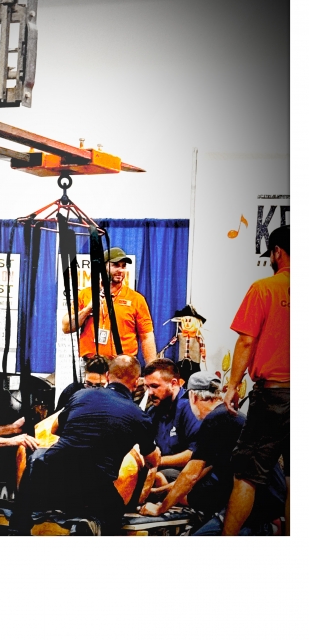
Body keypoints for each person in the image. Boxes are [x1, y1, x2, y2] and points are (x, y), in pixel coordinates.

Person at [9, 355, 160, 535]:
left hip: (50, 482)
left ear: (107, 376)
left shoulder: (80, 395)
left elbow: (55, 429)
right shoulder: (139, 416)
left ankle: (18, 527)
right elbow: (152, 461)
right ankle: (92, 524)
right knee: (115, 509)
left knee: (38, 459)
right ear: (136, 383)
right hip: (93, 487)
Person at [140, 372, 286, 535]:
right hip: (270, 502)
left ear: (193, 396)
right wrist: (160, 491)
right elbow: (202, 472)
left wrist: (160, 508)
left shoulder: (216, 419)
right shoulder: (228, 415)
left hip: (257, 510)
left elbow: (190, 474)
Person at [222, 224, 290, 536]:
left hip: (275, 396)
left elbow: (246, 341)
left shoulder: (265, 287)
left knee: (247, 474)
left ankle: (228, 544)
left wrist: (233, 385)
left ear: (277, 252)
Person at [61, 247, 157, 363]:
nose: (121, 270)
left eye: (123, 266)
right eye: (116, 265)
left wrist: (152, 369)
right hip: (92, 364)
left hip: (123, 365)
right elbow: (66, 327)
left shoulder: (136, 299)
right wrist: (88, 309)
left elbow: (146, 336)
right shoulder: (85, 294)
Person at [143, 358, 201, 486]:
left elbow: (194, 454)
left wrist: (158, 461)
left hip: (188, 473)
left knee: (157, 476)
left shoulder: (190, 408)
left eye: (155, 386)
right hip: (159, 469)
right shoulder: (152, 412)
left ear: (174, 383)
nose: (150, 393)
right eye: (147, 387)